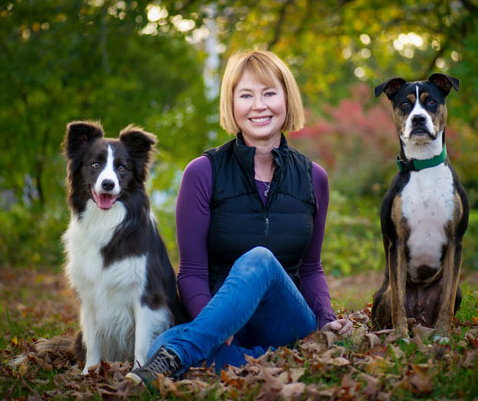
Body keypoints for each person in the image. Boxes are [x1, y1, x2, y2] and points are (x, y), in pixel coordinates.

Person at [125, 50, 352, 385]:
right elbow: (191, 272)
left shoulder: (313, 177)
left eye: (269, 93)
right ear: (231, 105)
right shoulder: (203, 173)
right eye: (246, 95)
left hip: (286, 319)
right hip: (222, 319)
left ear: (287, 99)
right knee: (161, 344)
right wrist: (214, 325)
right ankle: (269, 359)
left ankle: (194, 352)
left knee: (259, 260)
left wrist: (325, 319)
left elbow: (311, 268)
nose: (258, 106)